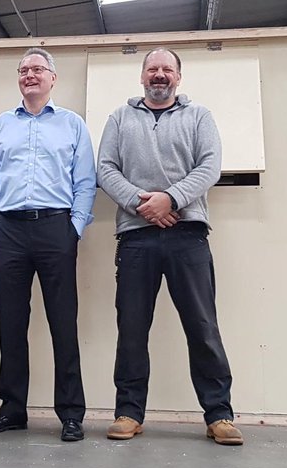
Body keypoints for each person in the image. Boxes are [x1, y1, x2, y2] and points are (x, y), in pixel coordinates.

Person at [96, 47, 243, 446]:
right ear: (141, 76)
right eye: (152, 69)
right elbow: (105, 169)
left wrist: (171, 199)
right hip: (136, 237)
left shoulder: (199, 117)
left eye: (167, 69)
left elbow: (210, 166)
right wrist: (143, 204)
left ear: (179, 76)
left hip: (188, 234)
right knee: (131, 328)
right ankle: (128, 412)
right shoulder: (119, 118)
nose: (159, 75)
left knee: (201, 325)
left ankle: (219, 415)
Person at [0, 47, 96, 442]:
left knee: (63, 322)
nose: (30, 75)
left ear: (53, 78)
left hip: (55, 229)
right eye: (24, 70)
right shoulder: (1, 126)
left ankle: (71, 414)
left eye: (38, 69)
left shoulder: (73, 125)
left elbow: (85, 183)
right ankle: (12, 409)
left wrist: (73, 229)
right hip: (8, 231)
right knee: (10, 324)